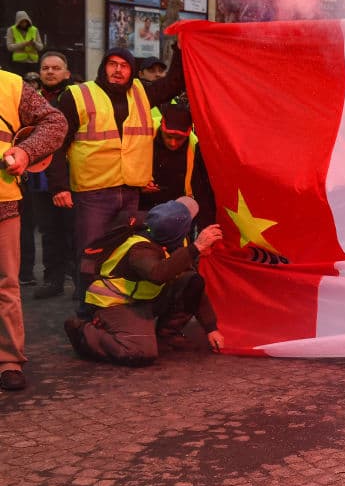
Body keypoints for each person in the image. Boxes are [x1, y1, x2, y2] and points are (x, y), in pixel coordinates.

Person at [46, 47, 186, 308]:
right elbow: (55, 143)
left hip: (130, 191)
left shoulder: (142, 93)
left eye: (124, 65)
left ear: (132, 71)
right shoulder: (78, 95)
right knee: (90, 254)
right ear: (103, 67)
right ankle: (88, 310)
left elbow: (175, 82)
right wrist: (59, 186)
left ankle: (114, 307)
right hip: (93, 193)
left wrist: (181, 47)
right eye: (112, 64)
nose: (118, 70)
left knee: (121, 253)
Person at [63, 197, 224, 365]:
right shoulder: (140, 249)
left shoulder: (169, 237)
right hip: (115, 304)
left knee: (192, 281)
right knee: (139, 352)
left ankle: (167, 335)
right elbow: (157, 274)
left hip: (143, 300)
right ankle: (84, 332)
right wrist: (196, 248)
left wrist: (211, 328)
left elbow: (192, 283)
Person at [0, 67, 68, 391]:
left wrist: (26, 151)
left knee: (6, 285)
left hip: (3, 203)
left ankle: (9, 361)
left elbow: (56, 123)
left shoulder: (12, 85)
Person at [25, 52, 77, 299]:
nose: (50, 72)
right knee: (48, 230)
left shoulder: (75, 97)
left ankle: (80, 282)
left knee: (73, 230)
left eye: (56, 68)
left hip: (71, 175)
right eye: (45, 68)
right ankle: (53, 280)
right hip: (38, 176)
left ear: (67, 73)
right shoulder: (31, 99)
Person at [139, 103, 215, 230]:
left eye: (179, 138)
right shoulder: (144, 133)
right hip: (142, 207)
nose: (173, 143)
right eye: (168, 136)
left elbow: (200, 191)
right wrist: (138, 184)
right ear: (162, 128)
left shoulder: (195, 146)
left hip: (175, 212)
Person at [5, 11, 44, 77]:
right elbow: (10, 47)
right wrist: (24, 44)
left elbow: (40, 47)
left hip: (32, 62)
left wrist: (34, 43)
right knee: (19, 81)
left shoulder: (34, 30)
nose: (24, 24)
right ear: (18, 22)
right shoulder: (11, 30)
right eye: (21, 22)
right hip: (18, 63)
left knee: (33, 83)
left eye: (25, 22)